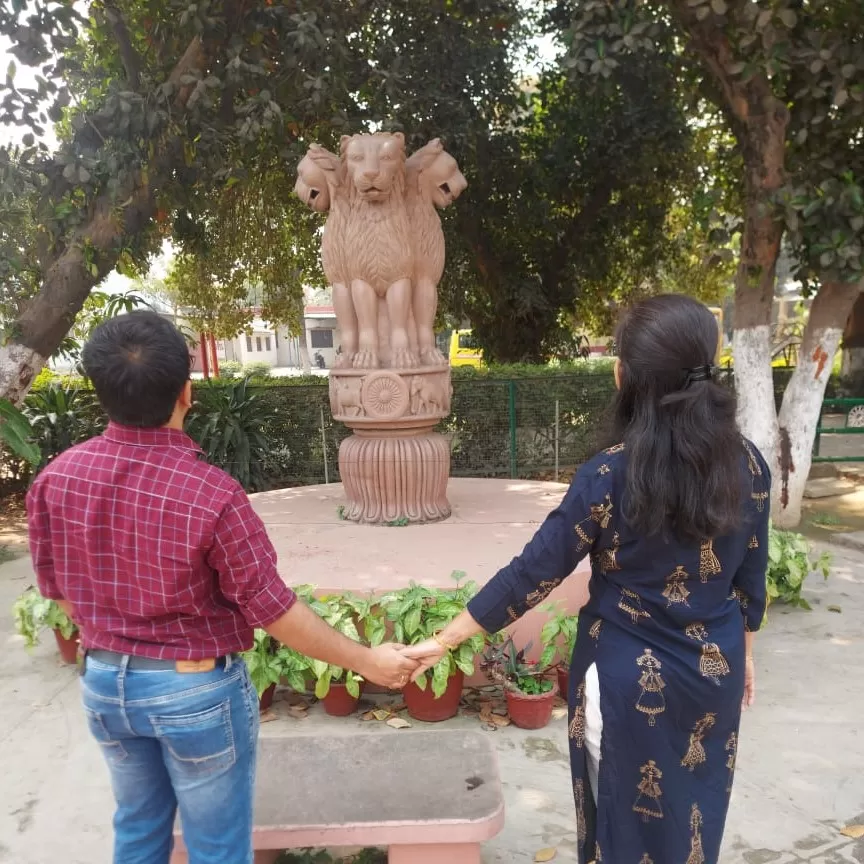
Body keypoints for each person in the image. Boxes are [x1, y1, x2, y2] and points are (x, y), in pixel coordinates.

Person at [26, 311, 417, 864]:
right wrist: (367, 661)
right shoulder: (213, 494)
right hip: (194, 695)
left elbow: (59, 593)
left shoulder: (55, 479)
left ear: (100, 391)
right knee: (217, 848)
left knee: (137, 831)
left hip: (104, 683)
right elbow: (274, 610)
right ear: (186, 392)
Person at [403, 294, 769, 864]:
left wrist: (442, 640)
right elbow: (750, 580)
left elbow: (533, 572)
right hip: (709, 676)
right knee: (692, 823)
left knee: (622, 829)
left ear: (625, 376)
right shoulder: (750, 466)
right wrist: (742, 653)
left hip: (624, 685)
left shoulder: (607, 477)